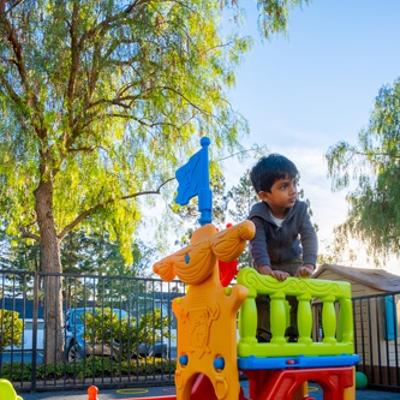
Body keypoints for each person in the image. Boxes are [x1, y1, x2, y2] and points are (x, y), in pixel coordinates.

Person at [248, 154, 318, 342]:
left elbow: (309, 235)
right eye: (283, 186)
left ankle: (295, 333)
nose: (293, 191)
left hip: (292, 258)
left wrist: (309, 265)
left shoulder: (300, 210)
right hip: (266, 262)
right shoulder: (258, 215)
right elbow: (257, 244)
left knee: (299, 291)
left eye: (293, 184)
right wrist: (266, 270)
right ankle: (263, 333)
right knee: (261, 295)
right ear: (264, 195)